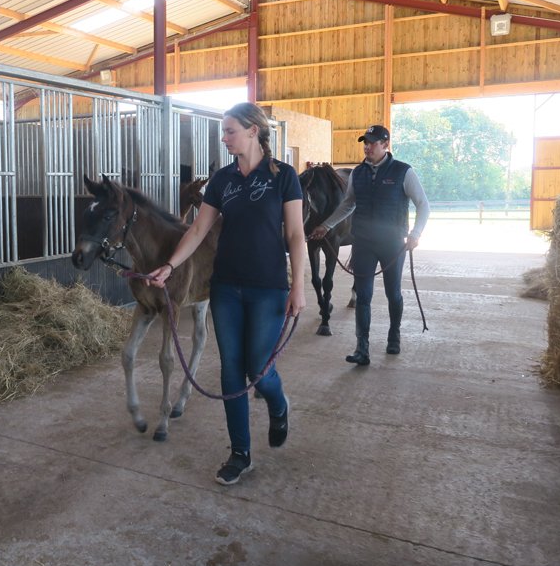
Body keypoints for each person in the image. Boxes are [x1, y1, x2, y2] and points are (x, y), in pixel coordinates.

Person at [147, 102, 306, 486]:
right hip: (226, 288)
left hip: (268, 287)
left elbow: (295, 234)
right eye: (224, 131)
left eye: (230, 130)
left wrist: (299, 285)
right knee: (231, 370)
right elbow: (198, 230)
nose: (224, 138)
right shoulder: (222, 180)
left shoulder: (283, 176)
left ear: (253, 131)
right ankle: (240, 453)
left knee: (259, 369)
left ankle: (278, 403)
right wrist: (170, 265)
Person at [309, 124, 430, 367]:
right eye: (365, 142)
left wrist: (415, 234)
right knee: (363, 296)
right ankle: (361, 348)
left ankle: (393, 336)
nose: (367, 147)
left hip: (392, 244)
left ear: (385, 144)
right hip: (363, 243)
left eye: (372, 143)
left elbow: (423, 204)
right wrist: (327, 225)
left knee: (393, 293)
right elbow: (348, 204)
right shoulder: (358, 173)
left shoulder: (403, 172)